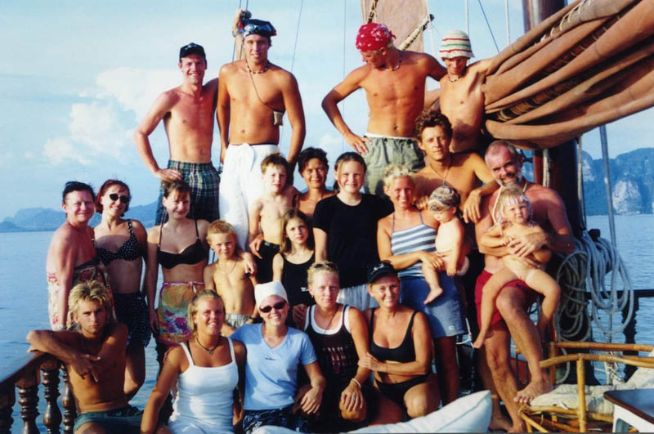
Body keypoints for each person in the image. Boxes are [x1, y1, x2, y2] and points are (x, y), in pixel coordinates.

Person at [475, 141, 574, 430]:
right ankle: (519, 424)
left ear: (520, 161)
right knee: (495, 358)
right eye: (496, 169)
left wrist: (543, 238)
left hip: (522, 276)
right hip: (491, 275)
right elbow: (482, 244)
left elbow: (568, 243)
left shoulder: (544, 196)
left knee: (506, 300)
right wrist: (510, 244)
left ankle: (539, 377)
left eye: (508, 164)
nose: (504, 172)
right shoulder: (488, 199)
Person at [322, 22, 446, 195]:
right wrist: (348, 134)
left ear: (383, 50)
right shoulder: (363, 74)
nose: (363, 59)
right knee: (377, 202)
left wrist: (438, 113)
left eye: (367, 55)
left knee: (414, 198)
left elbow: (452, 83)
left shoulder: (422, 63)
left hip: (411, 145)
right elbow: (329, 101)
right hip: (377, 147)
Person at [376, 165, 465, 405]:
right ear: (387, 191)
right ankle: (426, 410)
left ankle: (452, 409)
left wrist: (455, 259)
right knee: (418, 356)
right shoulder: (384, 224)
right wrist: (419, 255)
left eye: (407, 189)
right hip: (407, 292)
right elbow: (387, 261)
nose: (403, 195)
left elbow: (455, 228)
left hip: (440, 285)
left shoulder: (428, 213)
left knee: (447, 355)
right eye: (397, 190)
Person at [218, 15, 306, 250]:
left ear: (269, 44)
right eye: (250, 42)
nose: (255, 48)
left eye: (261, 43)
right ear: (243, 42)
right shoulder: (228, 72)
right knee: (232, 215)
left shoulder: (283, 78)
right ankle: (240, 266)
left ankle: (267, 268)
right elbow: (222, 107)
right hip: (235, 151)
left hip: (265, 154)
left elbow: (298, 125)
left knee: (264, 217)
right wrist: (223, 145)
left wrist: (288, 166)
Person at [27, 281, 142, 434]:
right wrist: (74, 357)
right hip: (90, 417)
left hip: (125, 411)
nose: (94, 319)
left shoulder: (118, 331)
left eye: (98, 311)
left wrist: (65, 353)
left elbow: (100, 366)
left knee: (162, 430)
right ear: (75, 317)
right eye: (87, 314)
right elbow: (34, 336)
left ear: (107, 313)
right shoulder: (72, 340)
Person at [135, 42, 220, 225]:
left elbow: (237, 68)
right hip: (179, 172)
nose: (194, 68)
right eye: (188, 63)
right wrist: (156, 170)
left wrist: (239, 33)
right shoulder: (170, 98)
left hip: (207, 172)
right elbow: (140, 133)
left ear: (205, 65)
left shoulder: (213, 90)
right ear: (180, 66)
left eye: (198, 63)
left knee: (208, 233)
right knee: (166, 231)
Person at [141, 290, 246, 434]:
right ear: (194, 317)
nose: (214, 317)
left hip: (223, 429)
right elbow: (157, 397)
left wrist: (241, 421)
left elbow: (245, 393)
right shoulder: (180, 354)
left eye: (218, 312)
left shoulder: (237, 350)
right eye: (207, 312)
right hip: (186, 426)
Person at [231, 281, 325, 434]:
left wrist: (317, 389)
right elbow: (221, 350)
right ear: (260, 312)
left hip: (290, 410)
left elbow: (317, 376)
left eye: (279, 305)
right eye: (266, 308)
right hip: (257, 414)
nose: (274, 311)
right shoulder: (245, 333)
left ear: (287, 306)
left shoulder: (300, 338)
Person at [473, 186, 560, 348]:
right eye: (512, 209)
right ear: (504, 213)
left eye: (522, 207)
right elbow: (484, 240)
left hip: (530, 272)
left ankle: (541, 327)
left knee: (554, 290)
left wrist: (539, 245)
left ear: (529, 209)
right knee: (488, 290)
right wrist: (501, 241)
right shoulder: (503, 228)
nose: (518, 212)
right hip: (511, 270)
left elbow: (546, 254)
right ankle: (485, 330)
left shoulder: (535, 229)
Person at [313, 152, 393, 311]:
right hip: (341, 288)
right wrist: (321, 286)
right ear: (336, 174)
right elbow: (321, 253)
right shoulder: (325, 207)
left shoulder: (377, 204)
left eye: (357, 174)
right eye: (346, 174)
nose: (351, 179)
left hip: (374, 284)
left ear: (364, 175)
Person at [360, 262, 439, 422]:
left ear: (399, 284)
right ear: (371, 291)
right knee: (378, 429)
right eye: (382, 288)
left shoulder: (416, 318)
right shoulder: (367, 316)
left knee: (419, 406)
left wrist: (381, 367)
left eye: (393, 286)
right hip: (384, 390)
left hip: (416, 385)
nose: (389, 293)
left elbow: (423, 366)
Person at [94, 179, 150, 398]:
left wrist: (147, 302)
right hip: (108, 309)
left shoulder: (135, 228)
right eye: (113, 196)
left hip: (134, 304)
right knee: (109, 371)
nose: (118, 202)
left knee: (136, 378)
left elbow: (151, 268)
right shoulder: (91, 235)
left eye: (124, 199)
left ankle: (116, 406)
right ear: (101, 198)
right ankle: (111, 409)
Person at [144, 180, 210, 363]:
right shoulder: (155, 234)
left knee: (201, 351)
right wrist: (151, 309)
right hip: (169, 304)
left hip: (199, 299)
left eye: (185, 202)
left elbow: (225, 244)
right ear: (164, 201)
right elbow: (151, 273)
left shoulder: (202, 227)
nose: (181, 207)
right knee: (170, 356)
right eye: (176, 201)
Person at [302, 261, 370, 432]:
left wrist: (355, 384)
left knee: (352, 411)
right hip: (319, 383)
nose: (328, 293)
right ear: (310, 289)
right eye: (322, 288)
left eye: (333, 287)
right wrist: (307, 386)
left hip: (349, 382)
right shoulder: (303, 316)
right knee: (301, 406)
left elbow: (366, 360)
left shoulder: (352, 315)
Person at [413, 111, 496, 224]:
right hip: (444, 233)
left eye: (441, 138)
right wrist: (419, 204)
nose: (437, 145)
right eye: (430, 140)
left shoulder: (470, 161)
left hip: (476, 227)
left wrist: (478, 193)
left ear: (449, 138)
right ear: (421, 145)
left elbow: (497, 181)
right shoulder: (419, 180)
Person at [47, 181, 107, 331]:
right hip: (74, 317)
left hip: (93, 314)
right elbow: (63, 284)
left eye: (88, 203)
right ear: (65, 207)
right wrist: (61, 327)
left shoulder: (88, 231)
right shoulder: (66, 237)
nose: (84, 208)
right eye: (77, 203)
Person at [424, 30, 492, 154]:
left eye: (460, 59)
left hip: (472, 151)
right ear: (443, 58)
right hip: (449, 154)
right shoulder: (443, 82)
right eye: (450, 59)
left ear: (467, 58)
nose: (455, 65)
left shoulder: (475, 72)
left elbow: (502, 59)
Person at [248, 153, 299, 283]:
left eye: (282, 175)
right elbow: (253, 233)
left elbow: (298, 215)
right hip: (268, 249)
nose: (277, 179)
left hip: (289, 247)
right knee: (268, 285)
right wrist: (254, 248)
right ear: (263, 177)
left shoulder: (292, 193)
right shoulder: (259, 204)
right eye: (273, 175)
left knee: (289, 283)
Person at [203, 220, 257, 335]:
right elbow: (211, 301)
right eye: (219, 245)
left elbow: (258, 291)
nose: (224, 248)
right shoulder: (210, 270)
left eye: (228, 243)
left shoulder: (244, 263)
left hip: (249, 319)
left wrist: (253, 318)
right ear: (211, 244)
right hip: (223, 321)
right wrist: (222, 325)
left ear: (235, 241)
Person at [423, 185, 468, 303]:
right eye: (434, 213)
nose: (437, 216)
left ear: (452, 210)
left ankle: (435, 288)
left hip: (455, 259)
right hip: (446, 256)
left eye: (440, 212)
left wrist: (453, 263)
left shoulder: (455, 224)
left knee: (427, 265)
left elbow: (457, 245)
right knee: (428, 262)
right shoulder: (444, 222)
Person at [272, 210, 315, 328]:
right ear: (285, 233)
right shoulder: (280, 258)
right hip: (290, 317)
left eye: (301, 227)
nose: (298, 232)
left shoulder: (318, 254)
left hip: (316, 314)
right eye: (292, 229)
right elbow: (277, 293)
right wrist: (291, 310)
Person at [296, 147, 334, 220]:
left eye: (320, 169)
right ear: (301, 173)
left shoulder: (339, 198)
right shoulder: (296, 202)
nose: (315, 174)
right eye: (309, 170)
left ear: (327, 169)